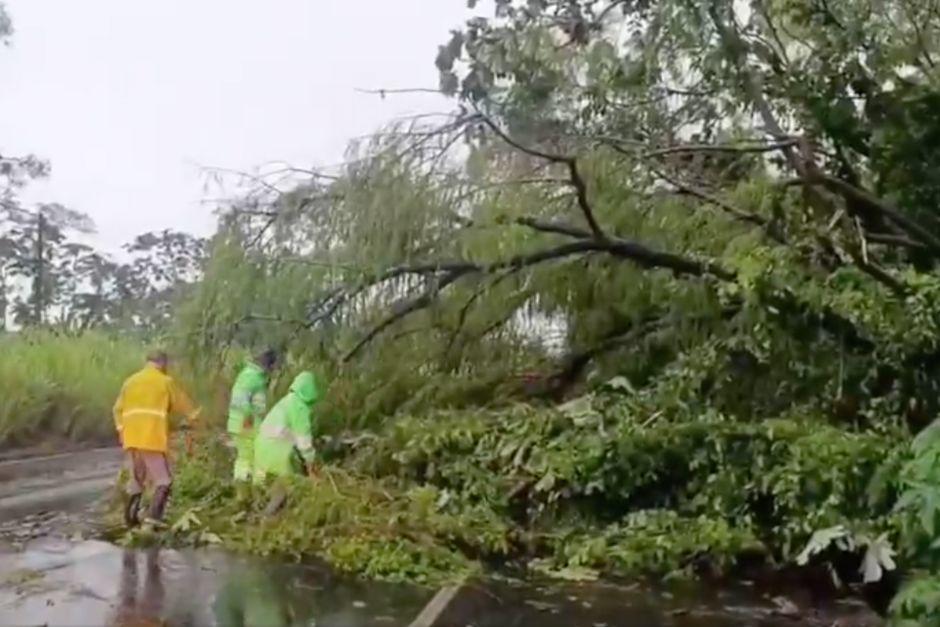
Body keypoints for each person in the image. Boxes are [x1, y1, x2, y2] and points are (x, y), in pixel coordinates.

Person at [113, 350, 200, 528]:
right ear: (163, 363)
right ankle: (153, 520)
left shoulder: (130, 381)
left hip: (131, 439)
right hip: (151, 438)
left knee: (137, 480)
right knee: (164, 481)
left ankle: (130, 521)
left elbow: (117, 409)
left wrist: (121, 430)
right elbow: (184, 405)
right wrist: (196, 419)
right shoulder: (165, 382)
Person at [253, 371, 319, 483]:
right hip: (277, 456)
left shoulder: (286, 402)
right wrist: (312, 467)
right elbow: (304, 441)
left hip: (260, 454)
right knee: (291, 484)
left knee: (263, 487)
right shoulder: (299, 406)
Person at [226, 349, 278, 481]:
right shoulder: (251, 376)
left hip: (248, 423)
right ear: (269, 364)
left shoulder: (256, 376)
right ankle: (243, 485)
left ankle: (249, 484)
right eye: (273, 367)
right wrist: (248, 416)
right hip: (245, 423)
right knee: (247, 457)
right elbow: (240, 397)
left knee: (251, 456)